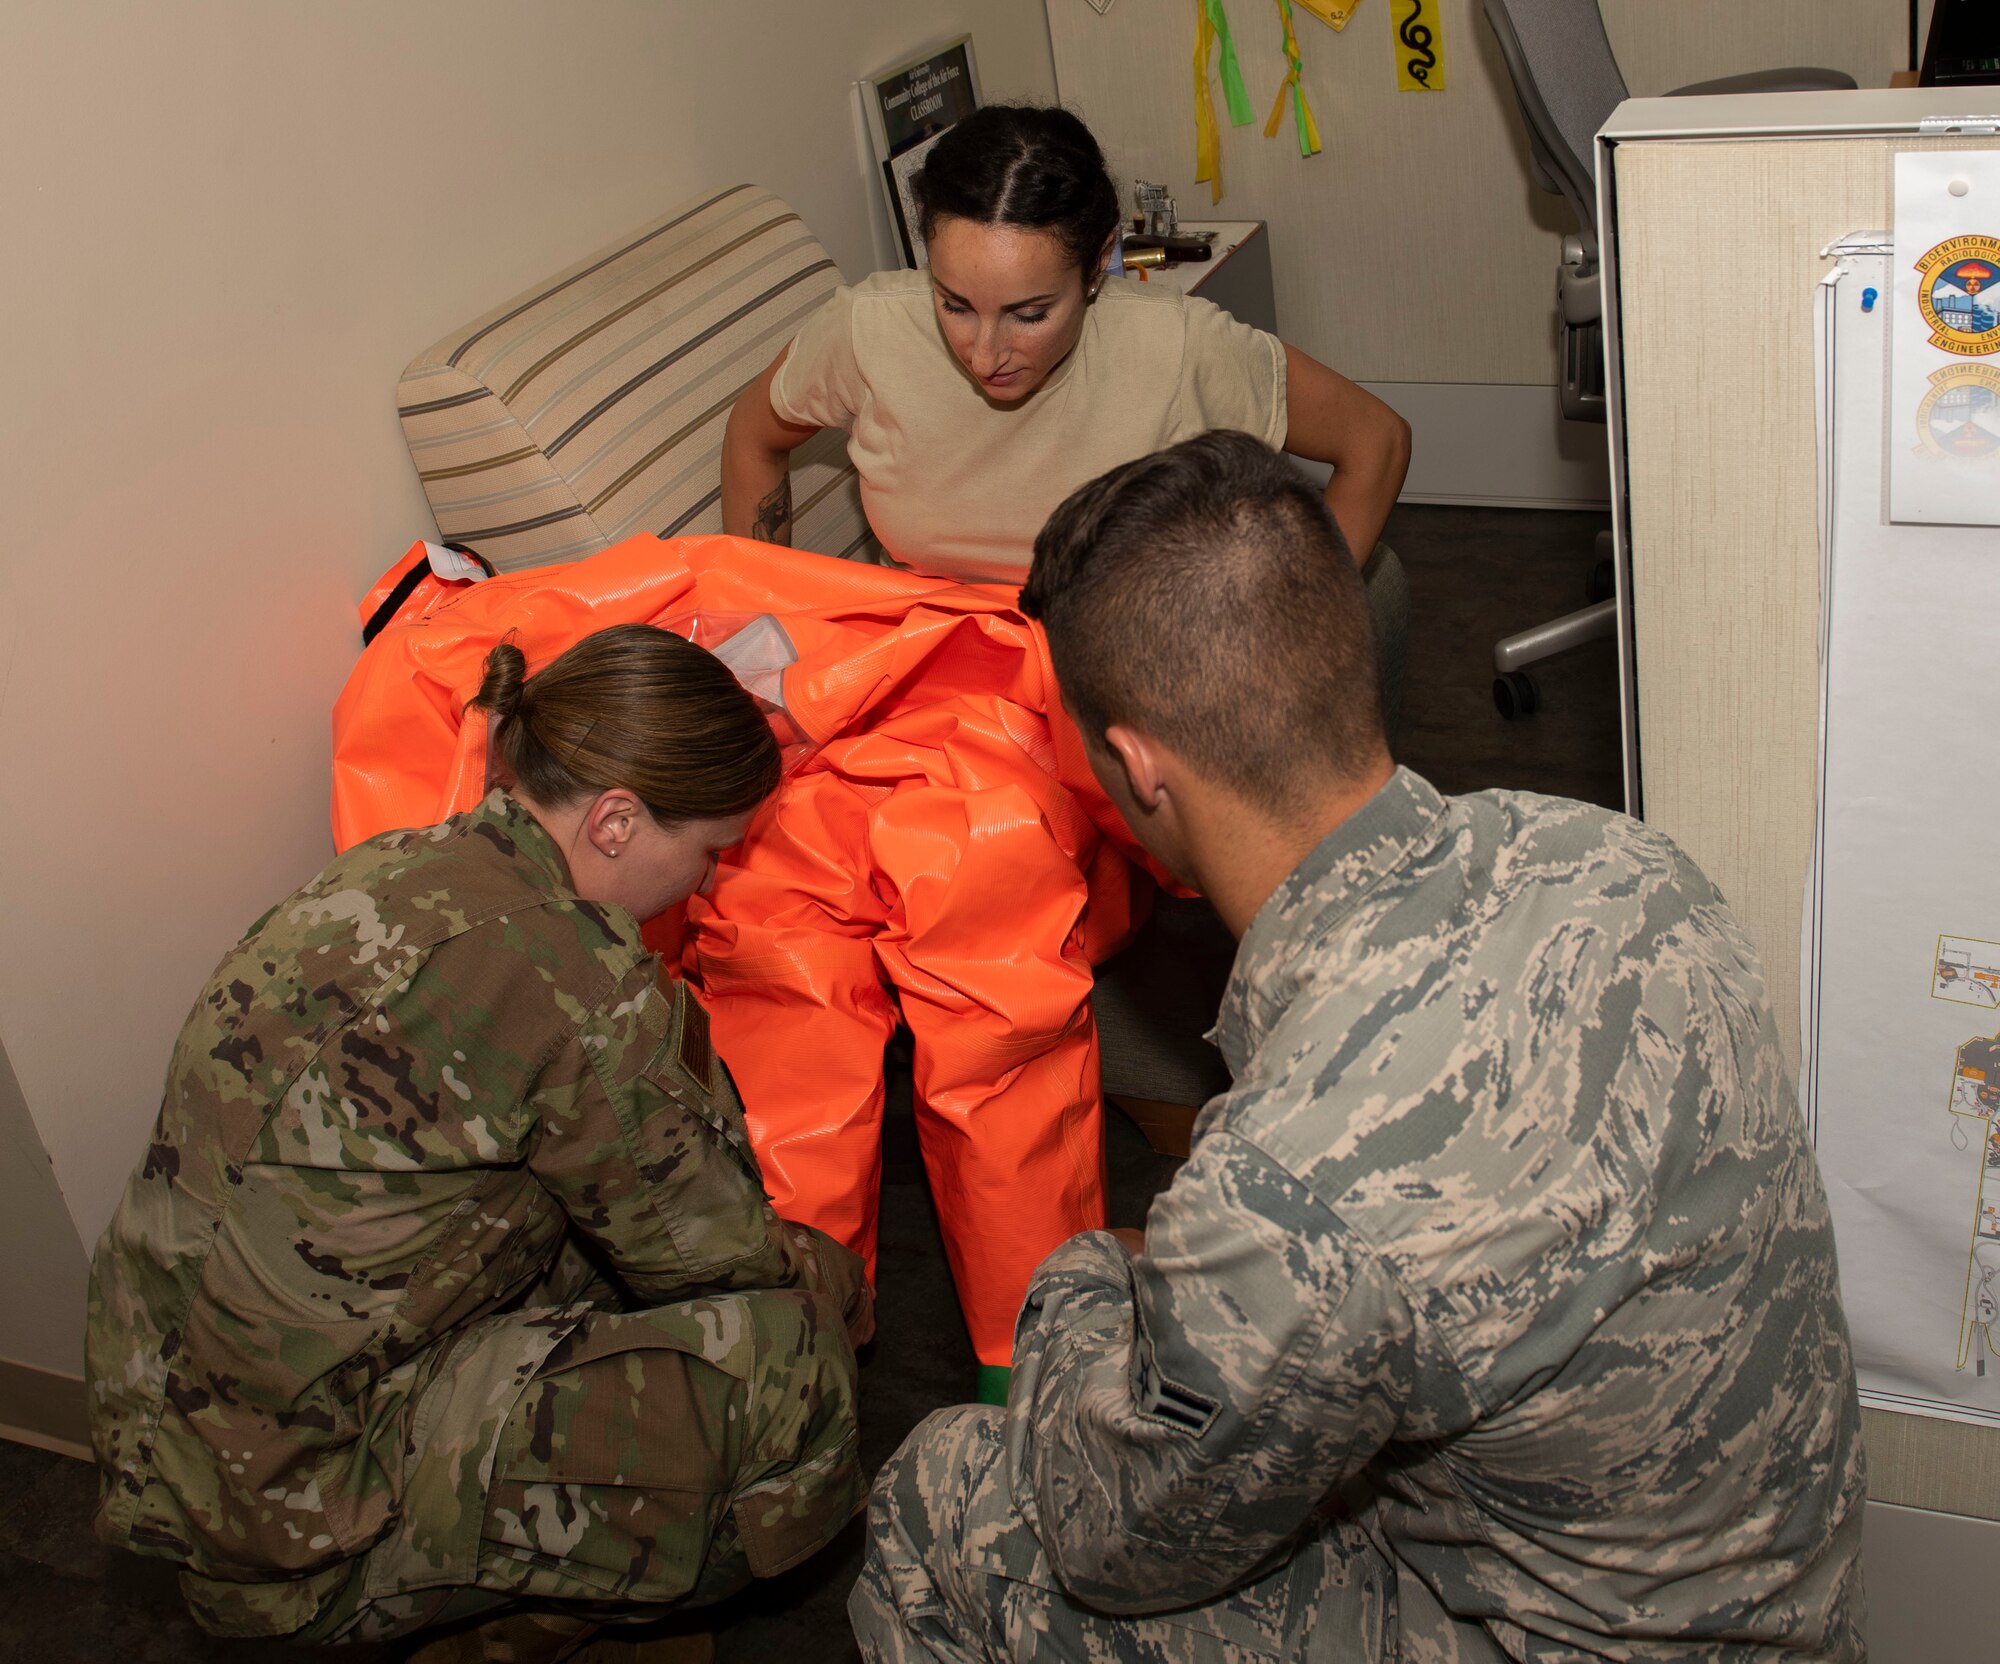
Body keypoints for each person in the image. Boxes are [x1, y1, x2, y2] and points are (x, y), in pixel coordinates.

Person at [851, 433, 1867, 1662]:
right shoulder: (1623, 864)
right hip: (1771, 1597)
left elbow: (1110, 1536)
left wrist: (1082, 1274)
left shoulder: (1286, 1188)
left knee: (945, 1488)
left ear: (1134, 765)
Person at [86, 625, 873, 1662]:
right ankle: (502, 1633)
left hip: (168, 1433)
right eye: (710, 849)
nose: (710, 881)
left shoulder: (390, 867)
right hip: (297, 1530)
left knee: (585, 1237)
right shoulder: (575, 983)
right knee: (790, 1355)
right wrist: (836, 1279)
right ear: (616, 820)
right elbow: (719, 1254)